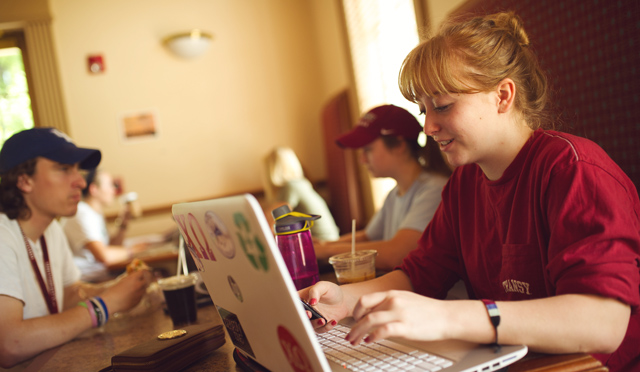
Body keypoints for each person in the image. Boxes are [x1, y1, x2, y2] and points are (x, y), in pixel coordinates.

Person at [300, 12, 640, 372]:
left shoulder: (573, 170)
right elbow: (420, 274)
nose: (428, 126)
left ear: (503, 96)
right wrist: (345, 300)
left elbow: (602, 324)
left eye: (443, 106)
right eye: (423, 109)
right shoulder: (464, 184)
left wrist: (449, 317)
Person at [0, 128, 151, 368]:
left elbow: (71, 297)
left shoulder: (51, 229)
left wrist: (124, 288)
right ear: (24, 180)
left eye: (77, 169)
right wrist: (107, 303)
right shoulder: (3, 235)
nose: (80, 181)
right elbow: (9, 343)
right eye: (64, 169)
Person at [313, 104, 451, 271]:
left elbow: (396, 254)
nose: (362, 159)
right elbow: (368, 236)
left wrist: (325, 250)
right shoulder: (394, 195)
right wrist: (324, 244)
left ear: (399, 145)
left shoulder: (435, 190)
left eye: (367, 149)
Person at [61, 169, 147, 282]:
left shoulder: (96, 213)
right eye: (110, 185)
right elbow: (105, 256)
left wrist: (123, 224)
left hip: (101, 274)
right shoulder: (81, 213)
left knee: (152, 275)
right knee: (147, 279)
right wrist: (135, 249)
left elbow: (112, 247)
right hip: (87, 281)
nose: (114, 190)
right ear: (94, 189)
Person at [263, 146, 340, 242]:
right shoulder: (302, 184)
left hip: (321, 244)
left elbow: (268, 221)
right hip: (331, 239)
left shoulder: (290, 186)